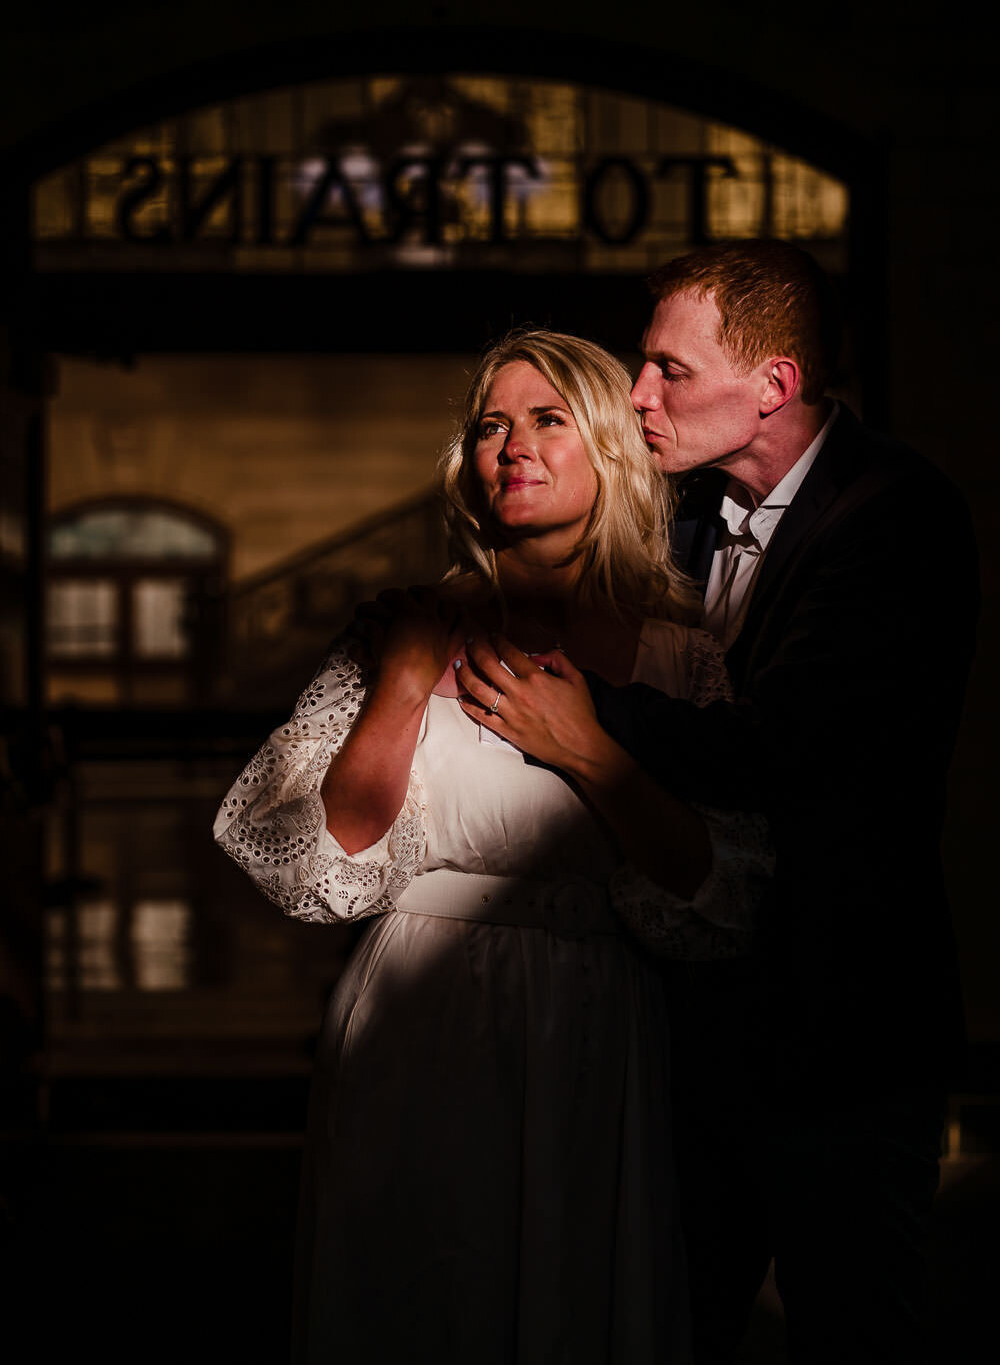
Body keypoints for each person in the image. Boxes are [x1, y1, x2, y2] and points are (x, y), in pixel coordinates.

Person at [460, 243, 979, 1365]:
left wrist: (579, 716)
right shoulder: (675, 522)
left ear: (773, 387)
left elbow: (785, 751)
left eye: (668, 371)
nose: (638, 395)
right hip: (687, 1031)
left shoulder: (896, 517)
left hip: (840, 1021)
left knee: (853, 1331)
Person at [213, 329, 773, 1365]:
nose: (511, 445)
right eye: (489, 426)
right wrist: (400, 677)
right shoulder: (402, 625)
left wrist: (592, 755)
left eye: (547, 419)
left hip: (598, 1034)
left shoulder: (681, 648)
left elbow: (721, 898)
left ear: (607, 444)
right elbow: (325, 858)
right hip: (415, 1020)